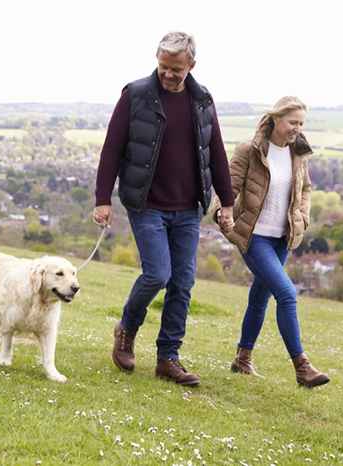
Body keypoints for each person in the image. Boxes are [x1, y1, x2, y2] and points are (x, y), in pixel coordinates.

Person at [93, 32, 234, 386]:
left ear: (192, 66)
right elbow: (112, 148)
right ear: (157, 60)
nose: (169, 74)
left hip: (188, 207)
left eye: (177, 69)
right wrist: (102, 199)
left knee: (183, 283)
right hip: (147, 203)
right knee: (158, 274)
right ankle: (126, 330)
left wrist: (227, 202)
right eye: (164, 67)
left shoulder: (202, 99)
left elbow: (215, 152)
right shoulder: (136, 94)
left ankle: (168, 358)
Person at [213, 96, 330, 388]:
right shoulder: (249, 151)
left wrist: (303, 216)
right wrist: (221, 212)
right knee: (287, 294)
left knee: (260, 297)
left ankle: (242, 358)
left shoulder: (298, 154)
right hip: (254, 237)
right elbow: (228, 187)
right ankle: (302, 367)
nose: (297, 128)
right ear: (276, 119)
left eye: (301, 123)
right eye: (293, 122)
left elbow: (305, 189)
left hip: (282, 238)